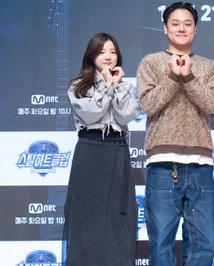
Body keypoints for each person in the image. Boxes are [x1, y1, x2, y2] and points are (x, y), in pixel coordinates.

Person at [137, 2, 214, 265]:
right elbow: (148, 104)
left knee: (202, 246)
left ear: (195, 29)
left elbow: (212, 105)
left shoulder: (209, 66)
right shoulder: (151, 62)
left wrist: (189, 77)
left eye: (187, 24)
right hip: (162, 164)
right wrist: (173, 76)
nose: (181, 28)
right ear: (165, 28)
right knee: (161, 244)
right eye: (175, 23)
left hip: (200, 165)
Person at [64, 32, 139, 265]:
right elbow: (91, 114)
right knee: (86, 217)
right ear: (91, 55)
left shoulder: (126, 86)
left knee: (118, 216)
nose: (108, 56)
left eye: (112, 51)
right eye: (102, 51)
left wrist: (116, 87)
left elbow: (126, 116)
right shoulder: (78, 86)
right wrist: (107, 85)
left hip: (117, 150)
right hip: (90, 150)